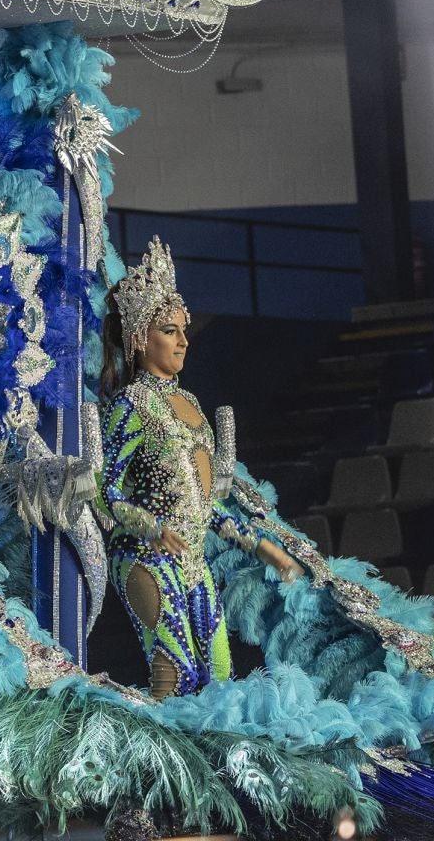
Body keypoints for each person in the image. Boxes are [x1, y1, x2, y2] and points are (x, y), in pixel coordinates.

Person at [97, 237, 303, 700]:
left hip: (193, 561)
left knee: (219, 679)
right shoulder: (129, 405)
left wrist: (261, 548)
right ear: (138, 338)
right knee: (175, 673)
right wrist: (151, 528)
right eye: (170, 330)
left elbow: (206, 505)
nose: (184, 340)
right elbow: (106, 493)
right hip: (144, 556)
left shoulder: (191, 403)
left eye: (183, 330)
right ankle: (159, 771)